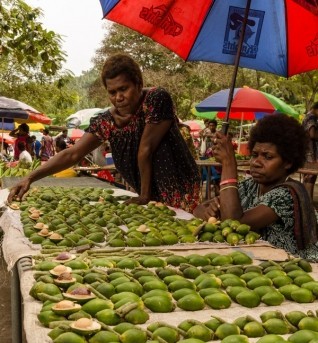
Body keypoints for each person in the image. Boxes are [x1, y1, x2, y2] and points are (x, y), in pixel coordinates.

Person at [8, 53, 201, 213]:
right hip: (147, 195)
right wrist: (30, 178)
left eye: (124, 89)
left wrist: (143, 196)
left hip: (178, 187)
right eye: (112, 92)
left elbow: (146, 149)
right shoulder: (106, 121)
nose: (118, 97)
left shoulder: (156, 99)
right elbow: (72, 153)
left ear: (138, 83)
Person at [194, 113, 318, 261]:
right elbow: (198, 209)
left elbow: (233, 222)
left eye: (268, 157)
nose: (256, 162)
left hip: (293, 270)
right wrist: (210, 211)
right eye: (254, 155)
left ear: (288, 162)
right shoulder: (250, 185)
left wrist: (228, 164)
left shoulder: (288, 194)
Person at [302, 101, 318, 199]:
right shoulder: (312, 117)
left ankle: (305, 202)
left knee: (307, 178)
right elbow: (313, 135)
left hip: (306, 151)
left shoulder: (307, 116)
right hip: (310, 153)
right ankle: (309, 203)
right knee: (310, 178)